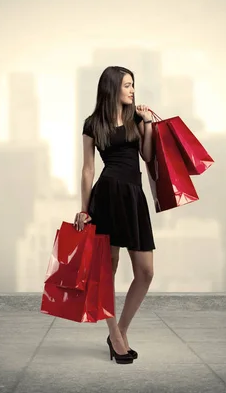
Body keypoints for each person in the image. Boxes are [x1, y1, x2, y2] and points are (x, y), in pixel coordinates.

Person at [74, 65, 156, 365]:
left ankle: (119, 331)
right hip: (106, 197)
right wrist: (83, 210)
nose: (132, 90)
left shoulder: (137, 117)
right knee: (107, 271)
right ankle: (116, 336)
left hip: (134, 198)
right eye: (127, 85)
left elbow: (147, 157)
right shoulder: (92, 123)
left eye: (133, 84)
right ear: (112, 88)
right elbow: (87, 169)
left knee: (145, 272)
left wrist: (147, 124)